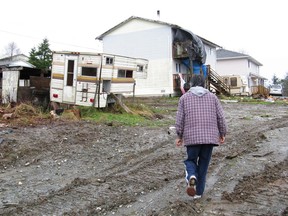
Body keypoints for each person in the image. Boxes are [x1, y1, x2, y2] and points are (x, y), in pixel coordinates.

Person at [175, 74, 227, 199]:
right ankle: (198, 193)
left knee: (190, 160)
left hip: (192, 138)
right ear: (204, 84)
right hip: (210, 138)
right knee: (204, 164)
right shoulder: (213, 97)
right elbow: (221, 117)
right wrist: (222, 133)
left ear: (191, 84)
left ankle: (191, 176)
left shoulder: (184, 98)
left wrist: (179, 135)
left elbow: (180, 119)